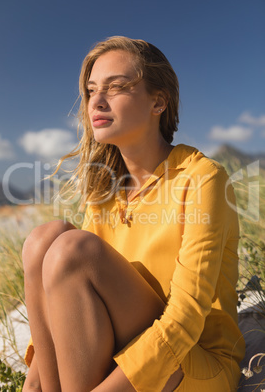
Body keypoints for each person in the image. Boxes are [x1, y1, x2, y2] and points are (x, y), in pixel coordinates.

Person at [22, 36, 245, 392]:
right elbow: (71, 303)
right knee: (42, 240)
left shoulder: (202, 178)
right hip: (128, 344)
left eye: (117, 87)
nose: (97, 100)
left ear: (158, 101)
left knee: (72, 251)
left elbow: (184, 321)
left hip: (194, 360)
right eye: (92, 89)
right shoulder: (106, 191)